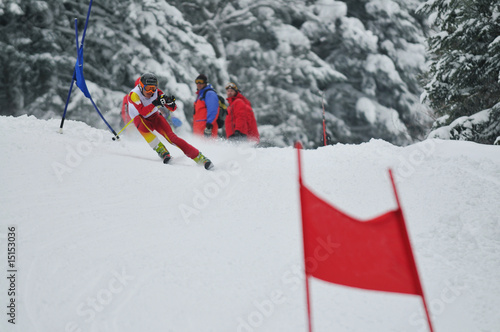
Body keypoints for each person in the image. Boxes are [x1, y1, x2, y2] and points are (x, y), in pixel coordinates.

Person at [127, 73, 214, 170]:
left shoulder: (157, 92)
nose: (151, 91)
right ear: (141, 86)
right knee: (146, 131)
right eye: (148, 88)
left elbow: (173, 108)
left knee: (172, 138)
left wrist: (170, 103)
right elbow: (142, 111)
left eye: (153, 88)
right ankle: (161, 150)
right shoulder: (134, 95)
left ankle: (199, 157)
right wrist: (156, 103)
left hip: (154, 116)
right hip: (140, 118)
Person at [193, 74, 219, 138]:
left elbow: (213, 109)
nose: (198, 84)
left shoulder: (209, 93)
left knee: (208, 147)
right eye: (197, 82)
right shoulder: (200, 96)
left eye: (201, 82)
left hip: (206, 128)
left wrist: (209, 125)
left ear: (205, 83)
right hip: (198, 128)